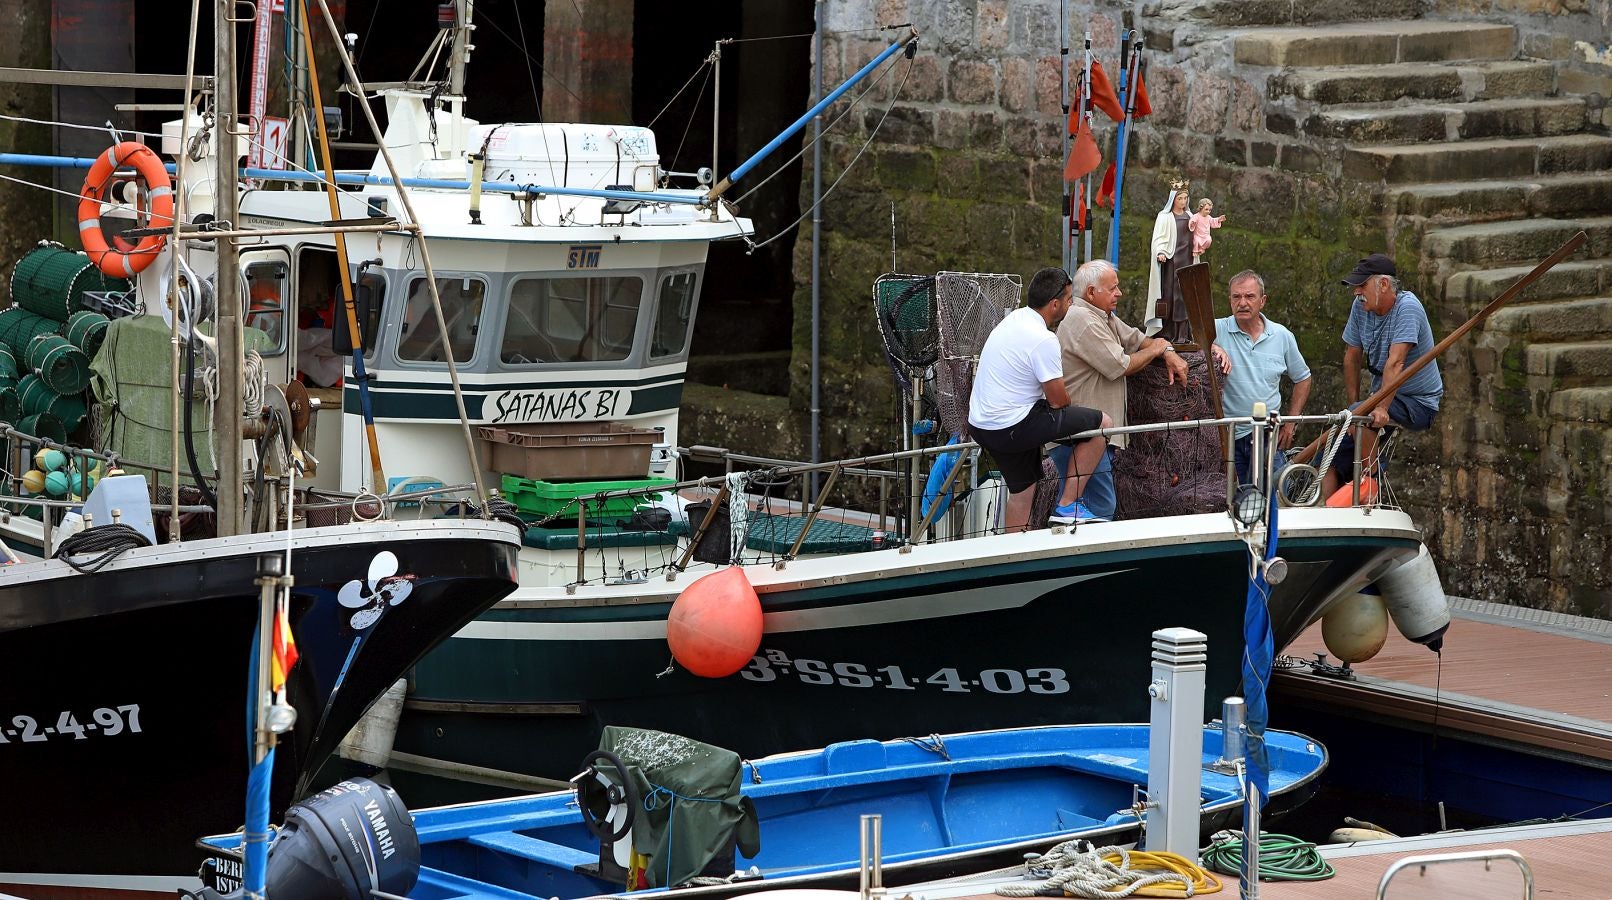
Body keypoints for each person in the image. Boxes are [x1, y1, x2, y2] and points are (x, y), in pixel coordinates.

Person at [968, 266, 1111, 532]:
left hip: (981, 424)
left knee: (1023, 492)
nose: (1071, 305)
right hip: (1011, 426)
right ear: (1055, 304)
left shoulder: (1012, 320)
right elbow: (1058, 401)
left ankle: (1013, 555)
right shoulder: (1043, 339)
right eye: (1069, 300)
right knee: (1103, 423)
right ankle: (1068, 504)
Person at [1052, 258, 1192, 521]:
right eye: (1113, 288)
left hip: (1090, 436)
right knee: (1100, 507)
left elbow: (1138, 339)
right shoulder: (1083, 320)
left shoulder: (1103, 316)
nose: (1120, 293)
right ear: (1092, 292)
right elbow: (1121, 364)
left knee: (1076, 510)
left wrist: (1167, 349)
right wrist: (1158, 349)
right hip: (1082, 438)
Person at [1320, 253, 1444, 499]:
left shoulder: (1408, 308)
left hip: (1418, 402)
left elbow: (1396, 362)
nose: (1357, 292)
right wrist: (1352, 408)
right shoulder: (1361, 306)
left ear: (1384, 284)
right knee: (1329, 451)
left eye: (1362, 285)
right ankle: (1321, 510)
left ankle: (1371, 484)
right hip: (1381, 397)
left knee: (1364, 415)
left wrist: (1380, 408)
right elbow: (1352, 356)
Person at [1213, 270, 1311, 486]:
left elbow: (1303, 378)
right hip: (1227, 435)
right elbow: (1187, 340)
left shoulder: (1282, 335)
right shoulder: (1216, 329)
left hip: (1267, 434)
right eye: (1236, 297)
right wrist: (1211, 346)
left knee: (1273, 495)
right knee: (1232, 501)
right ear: (1229, 300)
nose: (1242, 303)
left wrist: (1291, 423)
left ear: (1263, 301)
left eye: (1249, 296)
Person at [1147, 180, 1194, 344]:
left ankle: (1182, 335)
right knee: (1168, 296)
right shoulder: (1164, 217)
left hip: (1187, 262)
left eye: (1185, 198)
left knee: (1185, 297)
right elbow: (1158, 238)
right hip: (1170, 263)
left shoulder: (1190, 217)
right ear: (1173, 199)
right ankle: (1165, 332)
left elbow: (1201, 232)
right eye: (1180, 198)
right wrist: (1160, 251)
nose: (1183, 202)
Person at [1188, 198, 1226, 263]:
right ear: (1201, 208)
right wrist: (1192, 223)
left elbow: (1213, 221)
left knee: (1209, 240)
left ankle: (1202, 249)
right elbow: (1192, 221)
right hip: (1198, 235)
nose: (1208, 211)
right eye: (1206, 209)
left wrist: (1219, 219)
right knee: (1196, 241)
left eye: (1210, 210)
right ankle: (1195, 251)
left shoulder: (1208, 217)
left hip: (1205, 236)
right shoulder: (1196, 216)